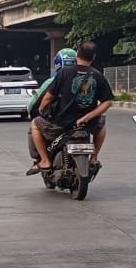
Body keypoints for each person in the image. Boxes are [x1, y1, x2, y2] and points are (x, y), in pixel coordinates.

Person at [27, 42, 113, 177]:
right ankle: (94, 157)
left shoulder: (64, 73)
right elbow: (107, 102)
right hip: (87, 124)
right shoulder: (98, 75)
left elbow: (48, 97)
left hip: (61, 123)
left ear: (77, 54)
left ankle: (44, 160)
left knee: (35, 124)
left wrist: (42, 111)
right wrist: (87, 117)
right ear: (93, 57)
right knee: (101, 124)